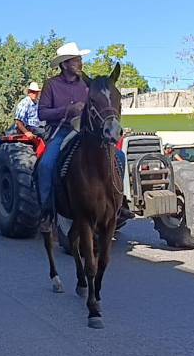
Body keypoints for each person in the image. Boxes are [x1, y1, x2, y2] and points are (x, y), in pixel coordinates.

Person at [37, 42, 132, 229]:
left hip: (86, 131)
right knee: (46, 164)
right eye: (76, 60)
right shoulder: (51, 85)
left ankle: (119, 203)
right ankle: (47, 211)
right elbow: (42, 113)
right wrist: (69, 109)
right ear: (64, 64)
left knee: (119, 157)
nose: (80, 63)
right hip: (61, 131)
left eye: (80, 59)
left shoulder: (87, 84)